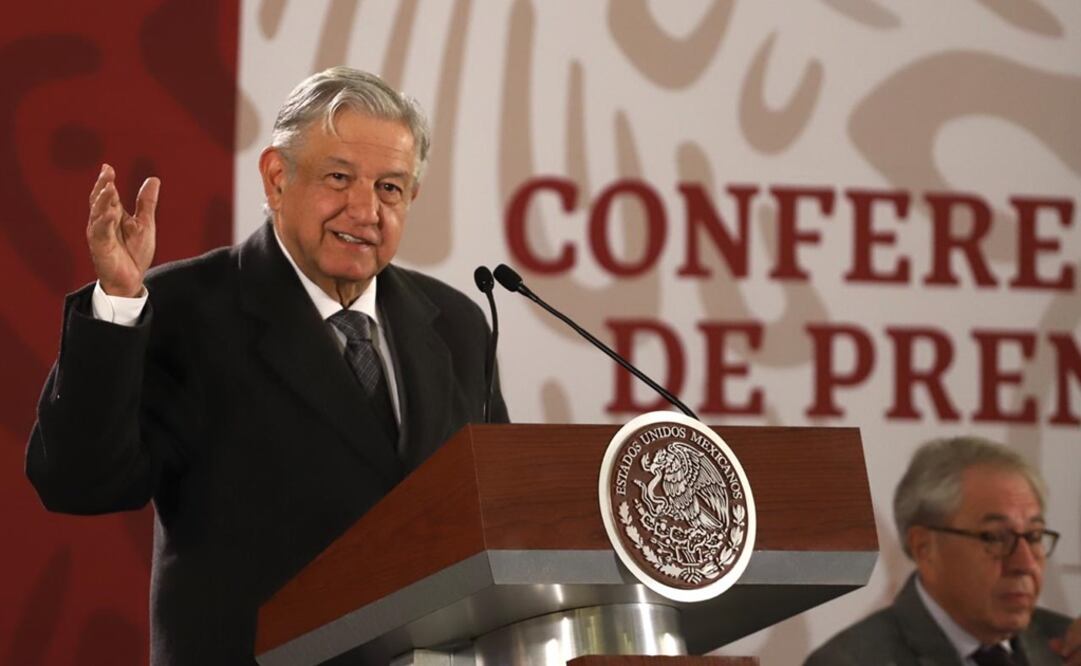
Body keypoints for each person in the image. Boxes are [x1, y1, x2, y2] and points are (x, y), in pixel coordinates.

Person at [26, 67, 508, 665]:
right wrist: (120, 304)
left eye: (390, 187)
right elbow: (79, 482)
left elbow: (495, 522)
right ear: (278, 178)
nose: (365, 209)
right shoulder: (183, 309)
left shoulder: (457, 325)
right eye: (340, 178)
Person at [804, 436, 1080, 665]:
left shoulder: (1066, 646)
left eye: (1033, 536)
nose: (1025, 563)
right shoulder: (850, 661)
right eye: (995, 537)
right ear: (925, 548)